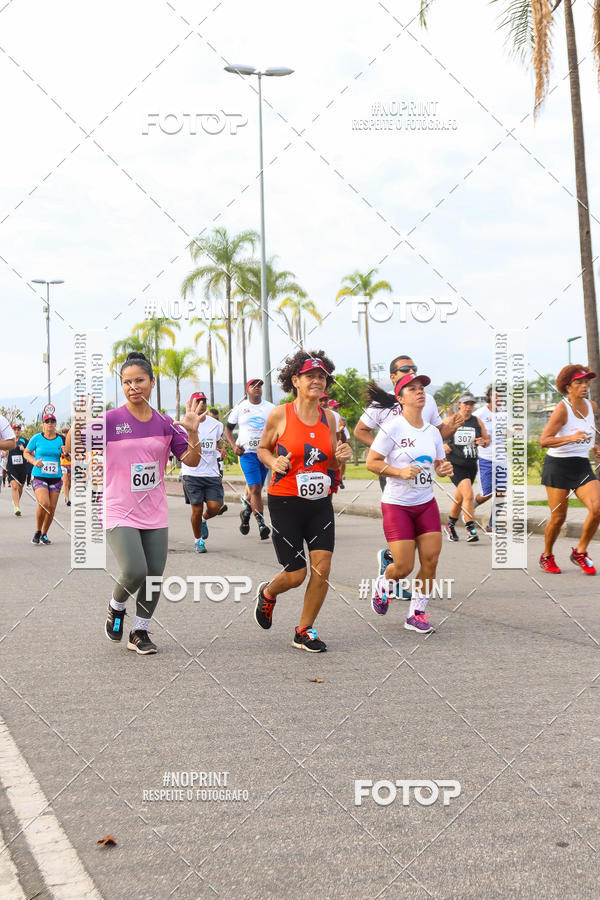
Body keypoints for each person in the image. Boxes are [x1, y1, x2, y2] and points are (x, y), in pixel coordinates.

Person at [67, 352, 202, 654]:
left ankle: (139, 632)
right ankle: (116, 607)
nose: (133, 386)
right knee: (134, 570)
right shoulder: (111, 420)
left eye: (139, 380)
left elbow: (190, 459)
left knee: (154, 576)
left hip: (154, 512)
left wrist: (192, 432)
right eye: (127, 382)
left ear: (152, 382)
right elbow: (72, 447)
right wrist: (81, 421)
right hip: (117, 508)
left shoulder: (165, 423)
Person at [254, 351, 352, 652]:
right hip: (285, 502)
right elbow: (262, 449)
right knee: (296, 574)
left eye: (322, 376)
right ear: (295, 380)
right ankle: (269, 592)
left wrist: (340, 459)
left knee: (322, 568)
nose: (317, 381)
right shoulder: (281, 415)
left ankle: (304, 630)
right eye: (310, 376)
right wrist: (274, 463)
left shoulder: (332, 419)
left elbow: (333, 466)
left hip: (319, 503)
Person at [365, 373, 454, 633]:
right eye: (412, 389)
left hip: (425, 502)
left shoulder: (432, 432)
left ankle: (416, 614)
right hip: (397, 504)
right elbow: (372, 462)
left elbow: (437, 465)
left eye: (422, 388)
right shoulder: (393, 428)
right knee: (404, 567)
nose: (419, 392)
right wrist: (399, 472)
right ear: (400, 398)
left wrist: (443, 468)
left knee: (431, 560)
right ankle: (384, 583)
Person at [539, 365, 600, 574]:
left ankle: (580, 552)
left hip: (581, 465)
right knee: (558, 518)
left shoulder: (592, 406)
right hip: (558, 467)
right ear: (568, 387)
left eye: (586, 382)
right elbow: (544, 441)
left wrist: (593, 446)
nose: (584, 386)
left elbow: (587, 433)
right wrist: (570, 438)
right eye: (579, 383)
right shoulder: (562, 409)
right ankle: (546, 555)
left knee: (597, 507)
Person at [225, 379, 274, 540]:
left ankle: (246, 513)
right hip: (247, 454)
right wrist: (233, 446)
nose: (257, 388)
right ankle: (261, 524)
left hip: (264, 453)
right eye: (253, 386)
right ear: (247, 390)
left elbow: (278, 429)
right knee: (255, 489)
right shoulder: (240, 408)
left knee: (256, 490)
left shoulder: (270, 408)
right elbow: (228, 429)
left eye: (260, 385)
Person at [181, 391, 226, 553]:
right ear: (191, 403)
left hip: (211, 473)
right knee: (197, 508)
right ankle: (198, 540)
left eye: (204, 401)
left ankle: (204, 519)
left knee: (216, 507)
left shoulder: (216, 424)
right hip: (192, 473)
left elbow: (217, 442)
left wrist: (221, 449)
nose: (201, 404)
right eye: (198, 401)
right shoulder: (185, 422)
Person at [442, 393, 490, 543]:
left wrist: (483, 441)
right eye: (465, 404)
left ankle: (450, 525)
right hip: (455, 464)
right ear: (459, 405)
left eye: (471, 404)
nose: (468, 407)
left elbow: (487, 439)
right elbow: (435, 436)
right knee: (468, 495)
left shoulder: (477, 421)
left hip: (470, 464)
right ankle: (470, 529)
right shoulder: (451, 420)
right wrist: (442, 445)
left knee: (459, 498)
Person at [23, 413, 64, 544]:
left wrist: (66, 453)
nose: (50, 423)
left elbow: (69, 456)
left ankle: (44, 534)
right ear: (43, 424)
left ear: (55, 423)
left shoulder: (61, 439)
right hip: (39, 476)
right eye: (47, 421)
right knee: (44, 503)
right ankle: (37, 530)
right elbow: (26, 453)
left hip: (56, 478)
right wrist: (34, 462)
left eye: (53, 421)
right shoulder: (37, 438)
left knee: (51, 507)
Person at [473, 387, 506, 533]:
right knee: (487, 493)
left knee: (501, 492)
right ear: (489, 397)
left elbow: (506, 433)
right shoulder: (479, 413)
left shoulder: (504, 415)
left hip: (501, 457)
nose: (498, 399)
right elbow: (468, 429)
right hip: (485, 458)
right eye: (495, 396)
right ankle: (469, 507)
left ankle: (493, 524)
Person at [6, 423, 28, 515]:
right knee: (14, 486)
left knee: (20, 486)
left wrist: (24, 449)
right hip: (11, 467)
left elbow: (30, 451)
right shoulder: (9, 440)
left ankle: (16, 500)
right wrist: (4, 452)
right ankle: (17, 507)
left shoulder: (25, 440)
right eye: (15, 430)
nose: (16, 431)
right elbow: (4, 450)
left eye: (18, 430)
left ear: (20, 431)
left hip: (22, 467)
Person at [60, 428, 72, 506]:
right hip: (63, 464)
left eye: (66, 433)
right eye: (63, 433)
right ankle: (67, 498)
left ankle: (66, 493)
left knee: (69, 483)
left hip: (71, 464)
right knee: (65, 480)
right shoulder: (60, 443)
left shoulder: (71, 443)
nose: (65, 434)